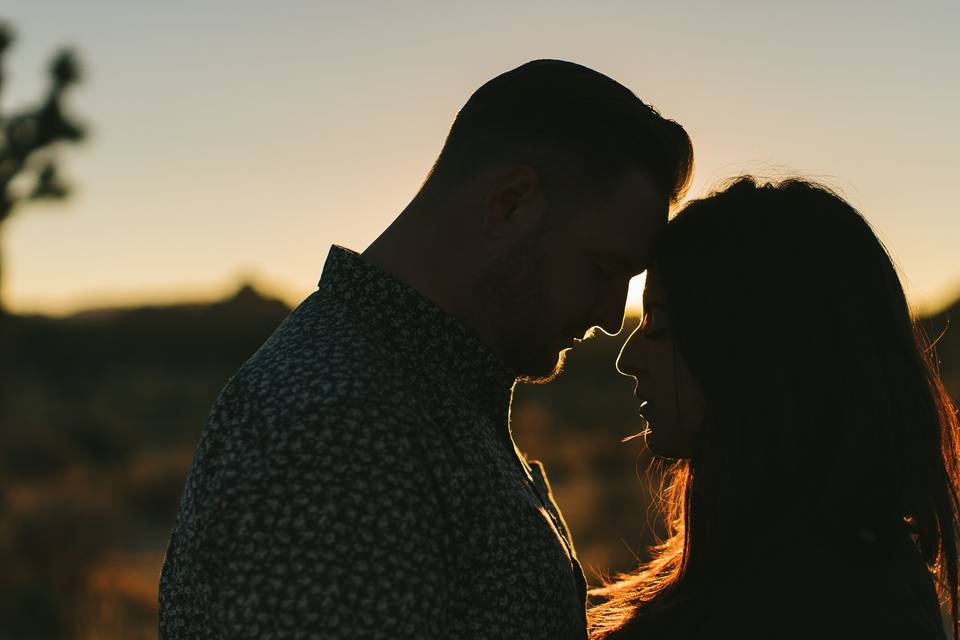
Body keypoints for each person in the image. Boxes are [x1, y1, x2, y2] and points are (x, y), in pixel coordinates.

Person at [158, 59, 693, 639]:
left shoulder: (417, 389)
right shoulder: (343, 424)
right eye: (603, 269)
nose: (613, 316)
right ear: (512, 202)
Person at [595, 177, 959, 639]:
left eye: (659, 329)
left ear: (750, 355)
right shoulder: (869, 575)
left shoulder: (797, 604)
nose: (628, 359)